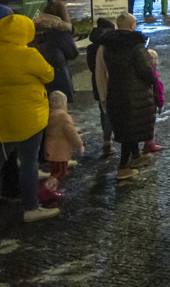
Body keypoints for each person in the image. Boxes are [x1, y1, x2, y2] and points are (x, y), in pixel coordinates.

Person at [0, 13, 60, 223]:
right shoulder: (29, 55)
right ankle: (31, 207)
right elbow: (49, 74)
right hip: (28, 117)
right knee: (28, 162)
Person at [96, 13, 158, 182]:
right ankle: (123, 167)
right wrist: (153, 80)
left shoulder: (107, 46)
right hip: (135, 93)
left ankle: (135, 156)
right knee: (131, 129)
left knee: (126, 127)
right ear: (132, 26)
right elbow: (146, 71)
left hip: (116, 90)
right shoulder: (136, 47)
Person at [31, 0, 78, 105]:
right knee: (58, 114)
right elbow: (72, 53)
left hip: (37, 80)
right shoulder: (60, 31)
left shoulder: (34, 29)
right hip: (58, 80)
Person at [42, 90, 83, 202]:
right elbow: (72, 133)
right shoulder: (64, 117)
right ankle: (46, 190)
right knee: (61, 172)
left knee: (54, 170)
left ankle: (52, 190)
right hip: (61, 151)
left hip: (50, 150)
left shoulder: (48, 114)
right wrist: (79, 144)